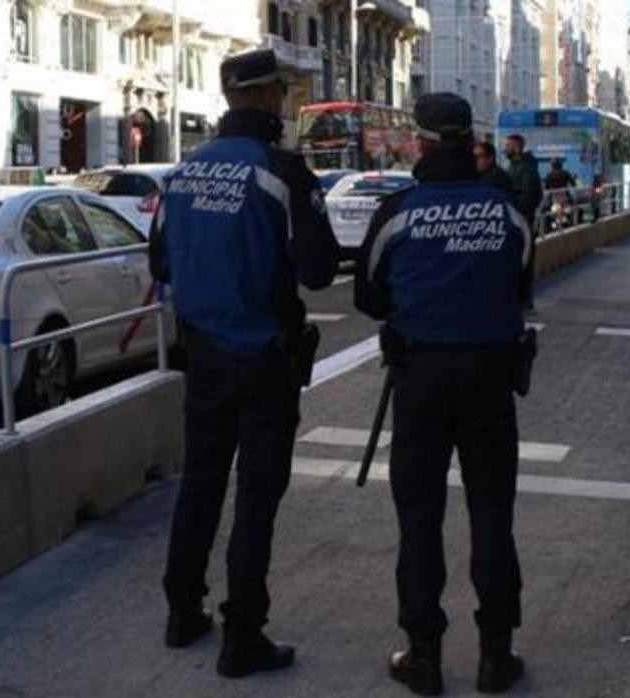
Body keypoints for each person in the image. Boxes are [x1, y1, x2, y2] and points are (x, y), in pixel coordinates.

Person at [150, 48, 340, 677]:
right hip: (264, 358)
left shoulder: (181, 174)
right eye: (281, 93)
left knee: (200, 484)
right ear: (264, 98)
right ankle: (243, 636)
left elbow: (159, 265)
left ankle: (182, 613)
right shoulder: (281, 171)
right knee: (256, 498)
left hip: (202, 354)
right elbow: (317, 269)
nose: (284, 104)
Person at [355, 93, 529, 696]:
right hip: (488, 381)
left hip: (421, 382)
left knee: (419, 521)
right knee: (493, 518)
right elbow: (520, 286)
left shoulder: (399, 212)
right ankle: (495, 656)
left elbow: (368, 297)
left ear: (421, 142)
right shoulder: (507, 212)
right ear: (469, 140)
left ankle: (423, 656)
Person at [504, 133, 542, 312]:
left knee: (524, 263)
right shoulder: (514, 166)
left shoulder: (525, 169)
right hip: (517, 220)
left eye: (508, 146)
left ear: (517, 148)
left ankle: (525, 300)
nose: (505, 149)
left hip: (522, 221)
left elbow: (530, 196)